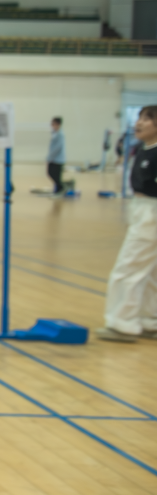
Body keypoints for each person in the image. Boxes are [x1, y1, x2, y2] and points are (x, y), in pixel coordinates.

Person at [97, 104, 157, 342]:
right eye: (139, 118)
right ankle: (150, 319)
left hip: (152, 213)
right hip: (141, 208)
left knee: (129, 267)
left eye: (147, 118)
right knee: (150, 271)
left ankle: (122, 322)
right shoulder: (142, 148)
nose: (139, 123)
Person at [46, 117, 66, 194]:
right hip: (53, 159)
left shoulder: (60, 134)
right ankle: (58, 189)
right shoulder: (55, 133)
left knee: (54, 175)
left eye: (53, 124)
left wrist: (50, 156)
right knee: (50, 173)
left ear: (58, 124)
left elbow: (58, 147)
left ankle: (61, 187)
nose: (52, 125)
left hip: (58, 159)